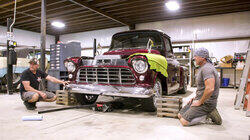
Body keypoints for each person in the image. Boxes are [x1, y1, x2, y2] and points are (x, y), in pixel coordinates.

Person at [178, 48, 222, 126]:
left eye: (196, 56)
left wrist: (200, 102)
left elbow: (210, 89)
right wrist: (196, 97)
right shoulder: (203, 67)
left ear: (203, 57)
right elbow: (203, 88)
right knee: (180, 115)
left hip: (207, 103)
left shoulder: (207, 69)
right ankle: (204, 111)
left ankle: (208, 113)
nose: (194, 58)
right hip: (200, 99)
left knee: (184, 121)